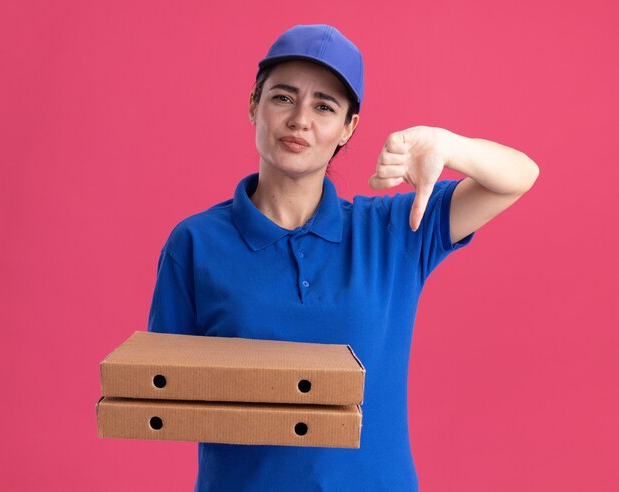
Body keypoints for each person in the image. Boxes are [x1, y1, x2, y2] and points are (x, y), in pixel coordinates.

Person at [148, 24, 539, 492]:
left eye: (324, 107)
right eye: (282, 98)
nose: (300, 121)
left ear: (348, 128)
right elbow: (165, 395)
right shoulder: (194, 244)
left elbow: (517, 177)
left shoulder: (394, 230)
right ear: (254, 105)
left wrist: (448, 146)